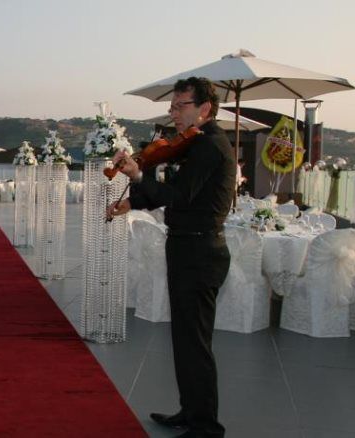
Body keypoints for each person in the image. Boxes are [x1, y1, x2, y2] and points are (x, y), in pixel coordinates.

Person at [108, 77, 234, 438]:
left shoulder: (211, 145)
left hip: (200, 251)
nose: (173, 113)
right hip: (188, 248)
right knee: (184, 340)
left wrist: (137, 174)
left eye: (181, 106)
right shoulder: (196, 144)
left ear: (205, 109)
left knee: (195, 344)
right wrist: (132, 201)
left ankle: (206, 427)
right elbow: (166, 194)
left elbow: (176, 196)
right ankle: (191, 411)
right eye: (173, 105)